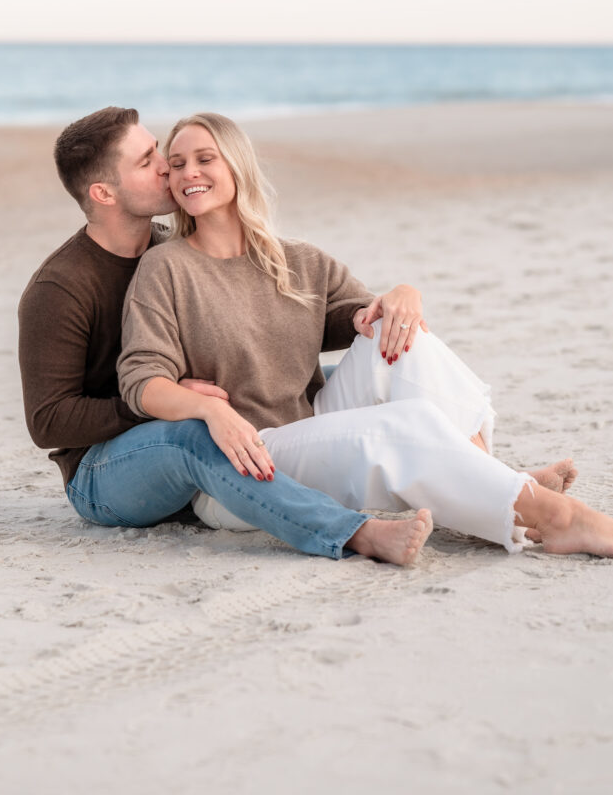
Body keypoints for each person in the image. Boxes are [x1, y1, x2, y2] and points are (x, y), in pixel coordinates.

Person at [117, 111, 613, 557]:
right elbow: (141, 380)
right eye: (177, 164)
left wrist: (404, 293)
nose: (188, 173)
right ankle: (555, 516)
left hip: (309, 424)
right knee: (404, 426)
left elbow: (369, 317)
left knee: (403, 340)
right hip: (244, 465)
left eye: (205, 158)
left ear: (237, 166)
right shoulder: (166, 268)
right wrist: (211, 410)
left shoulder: (296, 259)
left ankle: (502, 484)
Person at [18, 106, 434, 567]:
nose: (166, 165)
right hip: (106, 471)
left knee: (348, 376)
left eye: (158, 150)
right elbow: (47, 421)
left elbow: (268, 325)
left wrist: (373, 311)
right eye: (146, 161)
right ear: (103, 192)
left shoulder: (174, 249)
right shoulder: (60, 288)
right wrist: (162, 401)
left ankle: (491, 480)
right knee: (193, 433)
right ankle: (355, 533)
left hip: (196, 436)